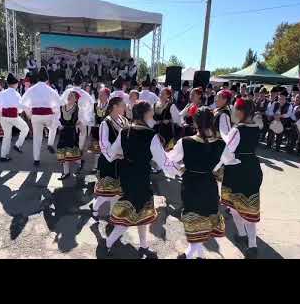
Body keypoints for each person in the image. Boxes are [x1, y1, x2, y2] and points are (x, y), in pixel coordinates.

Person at [100, 101, 179, 259]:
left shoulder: (125, 131)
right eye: (151, 113)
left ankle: (143, 245)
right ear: (145, 114)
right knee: (129, 214)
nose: (153, 116)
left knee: (142, 211)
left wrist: (121, 155)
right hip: (140, 177)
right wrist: (179, 169)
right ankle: (108, 244)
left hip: (127, 175)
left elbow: (111, 153)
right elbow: (163, 161)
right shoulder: (150, 135)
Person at [168, 107, 225, 259]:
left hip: (191, 185)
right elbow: (221, 168)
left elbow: (170, 161)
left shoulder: (185, 142)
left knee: (194, 218)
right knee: (204, 217)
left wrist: (179, 170)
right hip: (209, 185)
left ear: (194, 121)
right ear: (213, 122)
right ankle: (195, 253)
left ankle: (192, 253)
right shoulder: (220, 144)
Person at [221, 98, 263, 259]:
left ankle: (243, 235)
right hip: (252, 167)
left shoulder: (237, 129)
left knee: (234, 206)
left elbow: (227, 151)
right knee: (249, 208)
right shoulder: (256, 126)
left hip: (237, 169)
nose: (232, 111)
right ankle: (250, 243)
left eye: (234, 109)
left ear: (240, 112)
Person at [90, 97, 129, 221]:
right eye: (123, 105)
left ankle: (112, 216)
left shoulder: (124, 120)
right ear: (115, 107)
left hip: (122, 161)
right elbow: (103, 144)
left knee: (117, 192)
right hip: (109, 161)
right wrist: (114, 156)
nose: (125, 108)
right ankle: (96, 207)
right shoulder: (105, 123)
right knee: (108, 192)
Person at [21, 67, 62, 166]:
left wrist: (29, 114)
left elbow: (22, 103)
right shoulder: (51, 90)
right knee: (53, 127)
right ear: (47, 79)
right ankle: (50, 143)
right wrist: (57, 117)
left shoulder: (31, 90)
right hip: (48, 115)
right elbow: (57, 105)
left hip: (35, 116)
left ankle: (36, 159)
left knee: (37, 138)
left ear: (38, 78)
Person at [61, 72, 95, 170]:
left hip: (69, 117)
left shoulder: (67, 92)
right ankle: (78, 152)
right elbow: (91, 105)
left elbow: (61, 102)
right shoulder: (85, 94)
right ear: (81, 83)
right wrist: (87, 117)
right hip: (81, 118)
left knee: (69, 136)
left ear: (73, 81)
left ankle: (70, 156)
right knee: (82, 134)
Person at [0, 73, 29, 162]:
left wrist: (1, 110)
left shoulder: (2, 93)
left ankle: (3, 156)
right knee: (25, 129)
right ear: (15, 84)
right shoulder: (16, 94)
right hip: (13, 116)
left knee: (6, 136)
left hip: (4, 116)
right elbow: (20, 108)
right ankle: (18, 144)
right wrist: (20, 110)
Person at [57, 91, 83, 180]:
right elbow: (57, 118)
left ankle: (80, 162)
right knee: (63, 151)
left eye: (72, 96)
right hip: (63, 132)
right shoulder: (62, 107)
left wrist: (80, 127)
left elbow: (79, 120)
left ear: (76, 99)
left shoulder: (77, 108)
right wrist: (59, 125)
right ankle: (66, 172)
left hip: (72, 132)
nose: (69, 97)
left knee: (71, 152)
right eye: (69, 95)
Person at [88, 87, 110, 173]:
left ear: (107, 95)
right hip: (96, 129)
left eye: (102, 94)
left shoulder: (110, 106)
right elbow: (92, 117)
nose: (100, 96)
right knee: (97, 149)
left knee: (106, 148)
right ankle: (96, 166)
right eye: (100, 94)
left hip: (107, 130)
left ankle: (106, 166)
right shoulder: (95, 105)